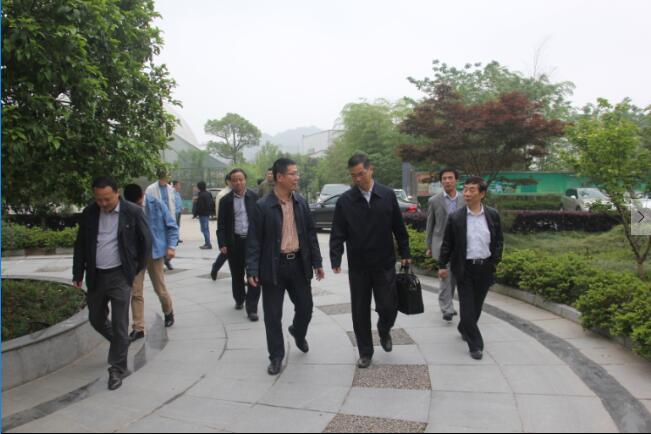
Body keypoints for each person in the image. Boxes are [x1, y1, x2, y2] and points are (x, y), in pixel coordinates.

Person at [330, 154, 411, 369]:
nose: (357, 179)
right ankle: (365, 352)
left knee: (388, 306)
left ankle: (384, 329)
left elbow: (398, 227)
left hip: (384, 263)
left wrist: (405, 251)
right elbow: (337, 231)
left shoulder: (387, 195)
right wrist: (336, 257)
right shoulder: (345, 200)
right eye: (353, 176)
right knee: (360, 311)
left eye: (361, 174)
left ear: (370, 169)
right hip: (359, 266)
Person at [247, 158, 325, 375]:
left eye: (296, 173)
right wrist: (251, 269)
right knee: (273, 315)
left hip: (299, 264)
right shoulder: (262, 206)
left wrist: (317, 262)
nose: (296, 177)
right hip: (274, 267)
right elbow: (254, 241)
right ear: (279, 177)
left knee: (306, 307)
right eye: (292, 174)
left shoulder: (301, 202)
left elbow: (310, 234)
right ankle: (276, 356)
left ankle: (298, 332)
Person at [73, 176, 151, 390]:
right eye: (99, 199)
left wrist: (136, 269)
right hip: (96, 275)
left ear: (117, 193)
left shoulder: (133, 212)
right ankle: (121, 343)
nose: (103, 203)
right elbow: (80, 245)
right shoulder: (90, 213)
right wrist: (78, 272)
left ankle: (117, 368)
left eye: (107, 199)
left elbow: (146, 241)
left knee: (120, 323)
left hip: (120, 275)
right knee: (96, 319)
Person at [438, 176, 504, 361]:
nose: (467, 193)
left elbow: (498, 240)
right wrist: (442, 265)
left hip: (485, 268)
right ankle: (475, 345)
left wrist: (495, 260)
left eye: (472, 190)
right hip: (464, 268)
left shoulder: (492, 215)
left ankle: (464, 327)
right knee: (467, 308)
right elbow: (447, 243)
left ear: (482, 194)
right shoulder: (456, 217)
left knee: (476, 307)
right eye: (465, 189)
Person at [123, 184, 178, 343]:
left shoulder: (157, 204)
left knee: (159, 289)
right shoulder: (126, 209)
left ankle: (168, 311)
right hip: (135, 255)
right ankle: (138, 328)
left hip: (155, 252)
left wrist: (171, 246)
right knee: (135, 292)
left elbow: (172, 226)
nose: (136, 206)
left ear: (143, 195)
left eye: (139, 202)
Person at [218, 169, 260, 320]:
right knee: (237, 274)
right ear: (230, 182)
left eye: (241, 179)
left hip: (252, 242)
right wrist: (222, 243)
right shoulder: (225, 201)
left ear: (245, 180)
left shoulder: (255, 197)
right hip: (234, 242)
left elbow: (262, 220)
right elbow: (221, 224)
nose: (238, 182)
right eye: (234, 180)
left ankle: (252, 308)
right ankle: (239, 298)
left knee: (254, 273)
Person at [426, 168, 465, 322]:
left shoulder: (465, 199)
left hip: (461, 245)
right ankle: (447, 308)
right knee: (446, 276)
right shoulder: (434, 201)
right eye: (444, 178)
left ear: (456, 180)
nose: (447, 181)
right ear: (441, 181)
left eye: (450, 178)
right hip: (442, 244)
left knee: (454, 277)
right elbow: (430, 224)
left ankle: (449, 304)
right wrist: (429, 245)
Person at [211, 174, 232, 280]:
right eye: (233, 180)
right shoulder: (222, 194)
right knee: (226, 252)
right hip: (227, 228)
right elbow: (219, 214)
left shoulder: (239, 192)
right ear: (227, 181)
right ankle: (215, 268)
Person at [195, 181, 214, 249]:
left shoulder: (201, 195)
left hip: (203, 214)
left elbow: (200, 206)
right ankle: (207, 243)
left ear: (199, 187)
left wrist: (196, 213)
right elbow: (212, 203)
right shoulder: (208, 193)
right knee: (206, 229)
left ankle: (208, 244)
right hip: (207, 213)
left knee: (204, 229)